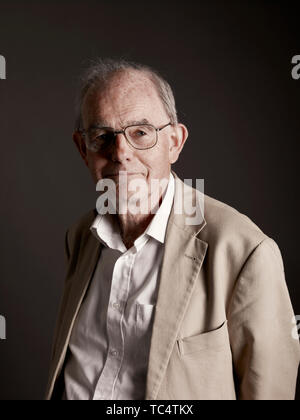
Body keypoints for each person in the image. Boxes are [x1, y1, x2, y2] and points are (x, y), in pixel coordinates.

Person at [46, 58, 300, 400]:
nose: (121, 153)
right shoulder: (79, 238)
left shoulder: (243, 251)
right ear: (83, 149)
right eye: (102, 136)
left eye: (140, 133)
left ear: (175, 143)